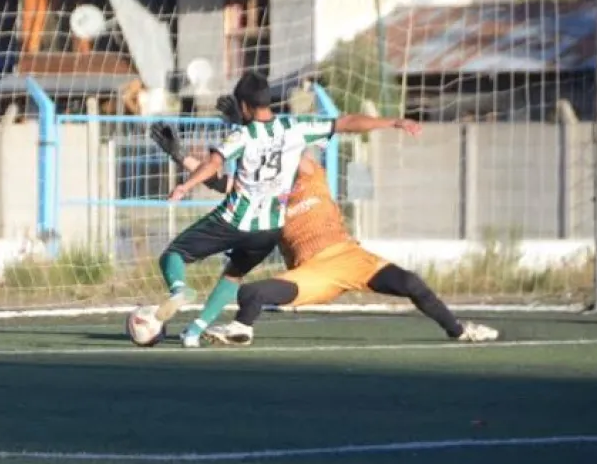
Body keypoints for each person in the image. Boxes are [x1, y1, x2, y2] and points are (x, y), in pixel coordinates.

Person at [149, 111, 500, 348]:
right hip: (314, 271)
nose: (306, 155)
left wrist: (244, 124)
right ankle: (241, 328)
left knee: (411, 283)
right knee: (251, 294)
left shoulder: (311, 173)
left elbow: (284, 149)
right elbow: (218, 181)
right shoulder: (264, 193)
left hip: (351, 256)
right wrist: (181, 156)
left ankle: (458, 329)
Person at [152, 71, 424, 348]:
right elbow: (347, 122)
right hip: (268, 232)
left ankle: (179, 290)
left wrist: (184, 185)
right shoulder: (296, 130)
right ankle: (194, 332)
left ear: (244, 106)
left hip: (235, 220)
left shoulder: (243, 136)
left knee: (175, 254)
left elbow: (215, 170)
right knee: (234, 274)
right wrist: (394, 121)